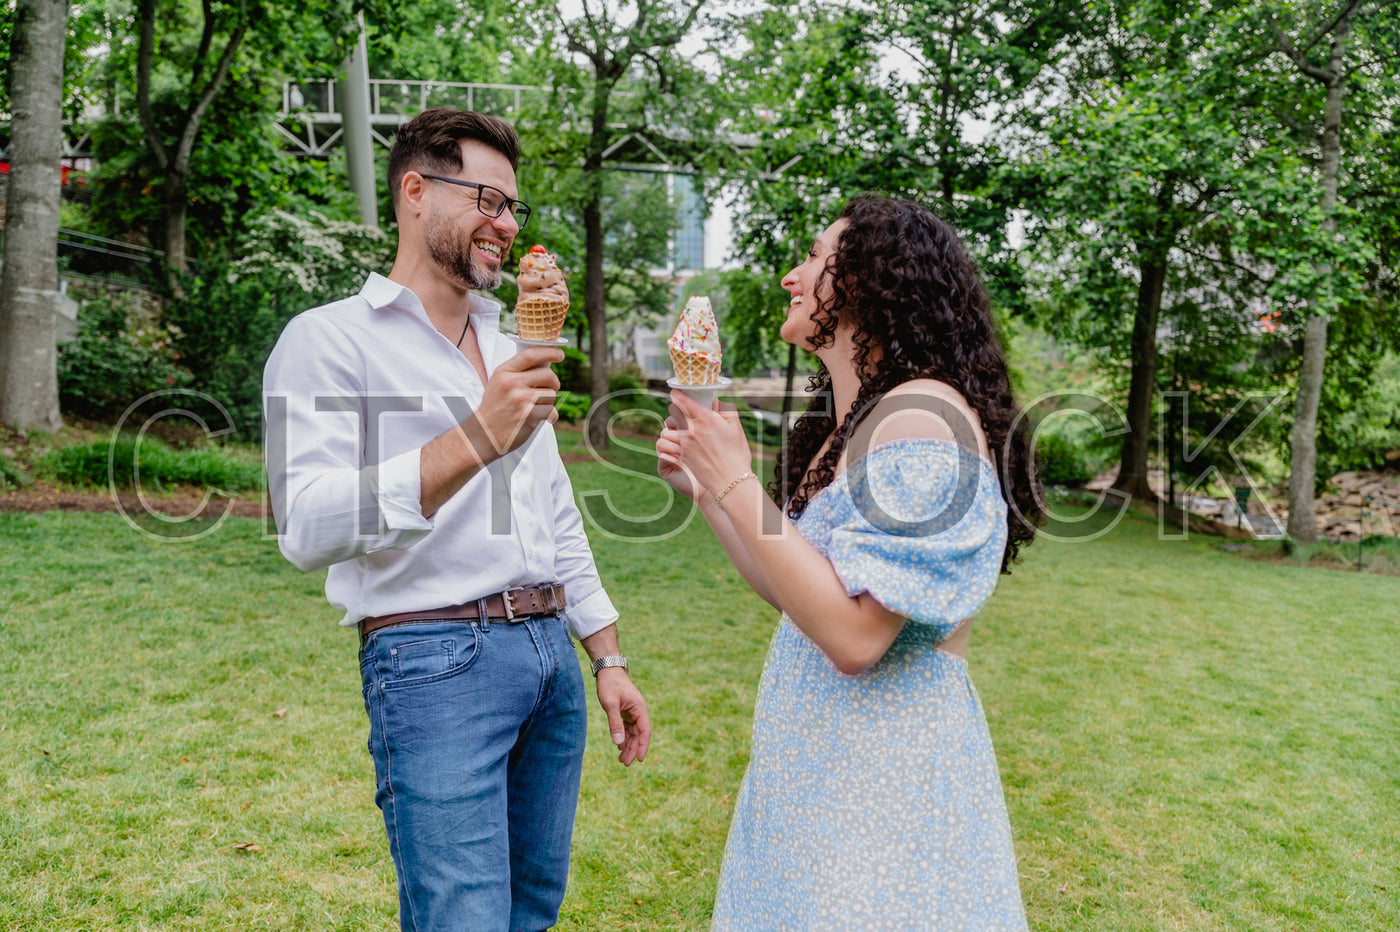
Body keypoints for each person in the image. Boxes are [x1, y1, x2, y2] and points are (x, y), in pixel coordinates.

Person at [263, 108, 650, 932]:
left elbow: (551, 509)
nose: (506, 226)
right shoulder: (328, 341)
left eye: (513, 208)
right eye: (488, 199)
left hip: (550, 660)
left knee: (530, 914)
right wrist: (478, 435)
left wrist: (605, 653)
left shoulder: (511, 345)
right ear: (414, 191)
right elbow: (306, 527)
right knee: (463, 919)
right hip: (435, 658)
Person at [656, 197, 1041, 929]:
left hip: (883, 781)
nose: (789, 277)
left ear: (868, 280)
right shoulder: (858, 425)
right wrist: (712, 491)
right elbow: (797, 596)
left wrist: (739, 479)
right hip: (817, 773)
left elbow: (856, 638)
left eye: (812, 256)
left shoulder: (920, 417)